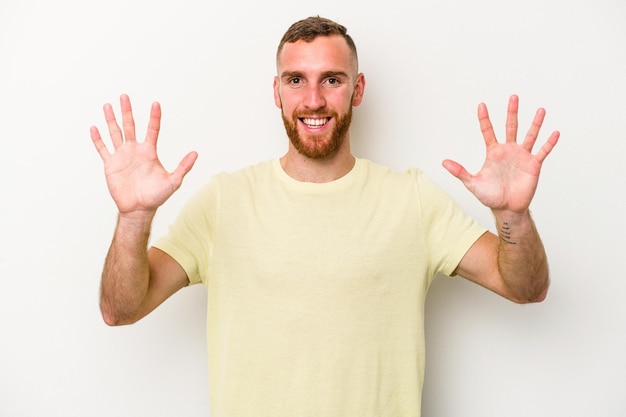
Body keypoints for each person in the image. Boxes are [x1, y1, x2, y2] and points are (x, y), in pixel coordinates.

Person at [90, 16, 559, 417]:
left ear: (357, 89)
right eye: (296, 80)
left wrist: (511, 215)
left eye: (331, 79)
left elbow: (526, 288)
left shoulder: (411, 199)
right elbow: (121, 309)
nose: (313, 99)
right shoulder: (224, 201)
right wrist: (133, 219)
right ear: (277, 91)